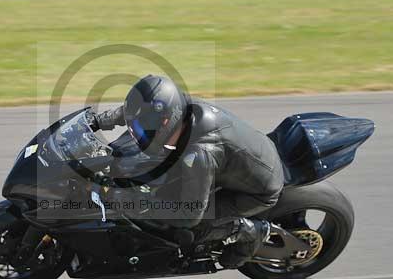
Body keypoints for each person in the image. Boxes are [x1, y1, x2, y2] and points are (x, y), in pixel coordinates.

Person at [92, 75, 284, 268]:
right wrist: (98, 121)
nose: (137, 135)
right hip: (244, 160)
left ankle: (250, 232)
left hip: (257, 191)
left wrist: (132, 201)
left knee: (192, 230)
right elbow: (139, 112)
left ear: (166, 123)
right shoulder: (178, 107)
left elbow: (189, 215)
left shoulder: (199, 154)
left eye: (142, 131)